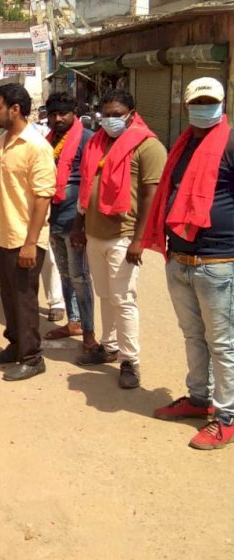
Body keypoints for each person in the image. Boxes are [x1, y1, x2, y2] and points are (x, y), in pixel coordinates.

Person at [143, 77, 234, 449]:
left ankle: (227, 417)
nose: (204, 107)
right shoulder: (182, 145)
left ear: (223, 103)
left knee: (223, 344)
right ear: (186, 106)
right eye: (198, 102)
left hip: (218, 260)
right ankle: (199, 399)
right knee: (193, 336)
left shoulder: (229, 143)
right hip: (179, 258)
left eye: (210, 101)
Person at [71, 89, 167, 389]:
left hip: (124, 235)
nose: (110, 120)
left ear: (131, 114)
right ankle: (109, 346)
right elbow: (87, 186)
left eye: (117, 115)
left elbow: (152, 196)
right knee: (105, 295)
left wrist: (140, 239)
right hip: (94, 232)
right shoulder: (97, 142)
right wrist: (79, 225)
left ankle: (130, 360)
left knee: (124, 299)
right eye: (106, 114)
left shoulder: (147, 146)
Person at [0, 83, 56, 381]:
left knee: (25, 301)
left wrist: (30, 243)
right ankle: (15, 346)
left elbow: (43, 196)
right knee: (10, 298)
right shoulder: (2, 141)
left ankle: (31, 357)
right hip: (4, 234)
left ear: (15, 109)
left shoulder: (37, 146)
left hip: (25, 238)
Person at [42, 92, 99, 355]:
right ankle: (73, 322)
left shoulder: (87, 139)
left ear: (74, 112)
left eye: (63, 113)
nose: (58, 118)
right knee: (65, 275)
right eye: (53, 114)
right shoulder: (49, 140)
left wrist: (82, 223)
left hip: (75, 220)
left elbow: (91, 183)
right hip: (54, 217)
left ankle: (89, 332)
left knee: (80, 277)